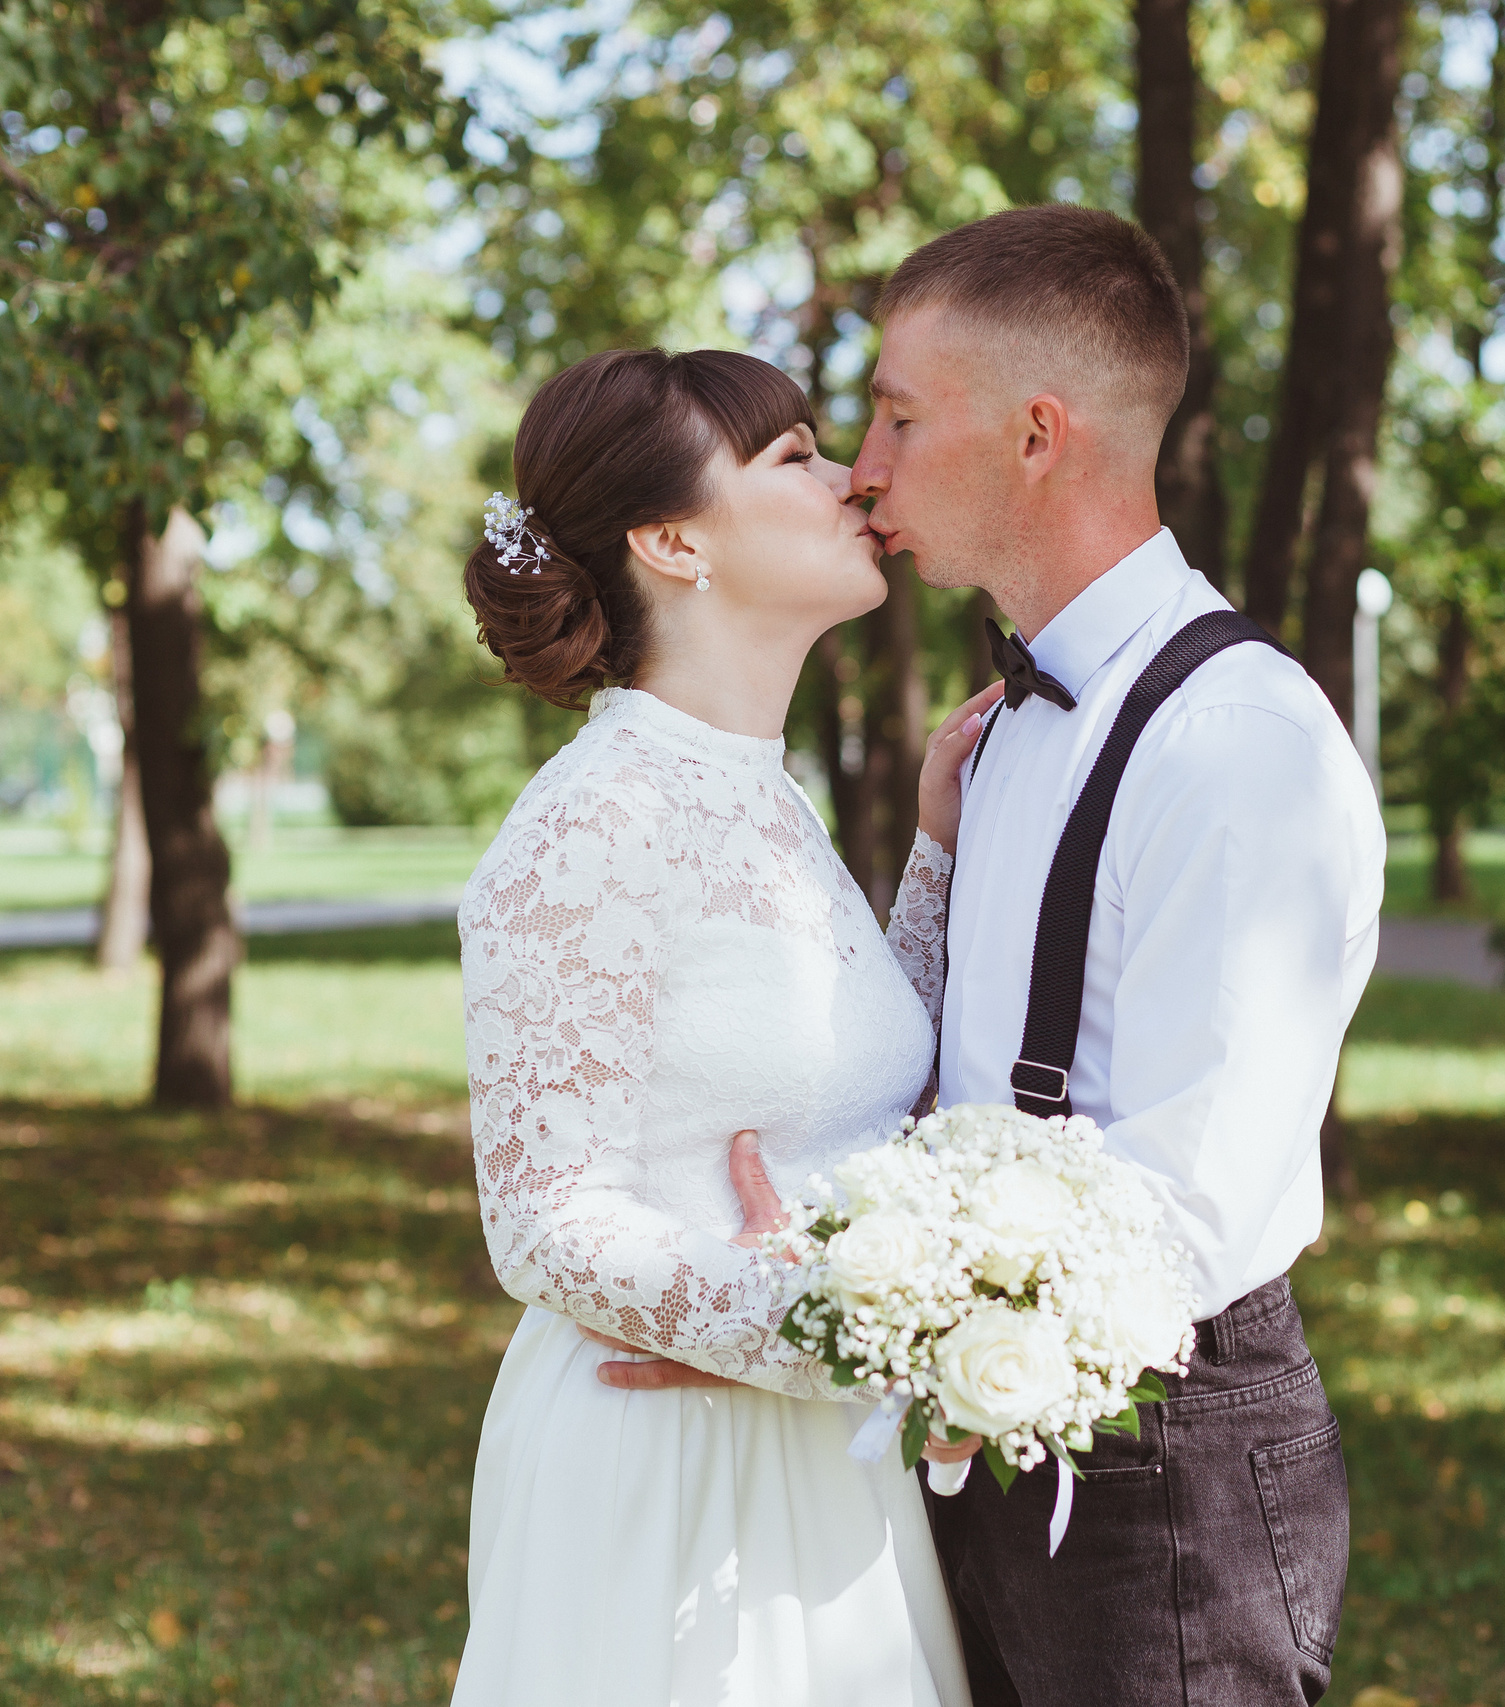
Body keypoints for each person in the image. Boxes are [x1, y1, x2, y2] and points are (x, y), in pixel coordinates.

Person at [606, 205, 1385, 1704]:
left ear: (1040, 435)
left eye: (897, 417)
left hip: (1161, 1460)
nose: (865, 470)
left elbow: (1187, 1212)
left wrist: (827, 1336)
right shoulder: (1006, 735)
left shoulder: (1233, 746)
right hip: (972, 1435)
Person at [449, 346, 995, 1705]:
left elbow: (849, 1081)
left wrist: (932, 861)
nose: (854, 479)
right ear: (676, 541)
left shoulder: (762, 795)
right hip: (678, 1465)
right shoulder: (589, 827)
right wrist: (839, 1328)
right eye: (795, 458)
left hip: (812, 1449)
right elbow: (541, 1217)